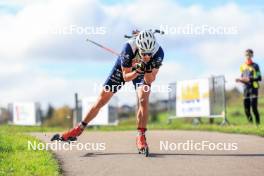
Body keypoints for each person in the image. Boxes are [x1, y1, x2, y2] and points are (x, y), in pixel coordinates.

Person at [53, 30, 164, 153]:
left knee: (143, 98)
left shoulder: (159, 53)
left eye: (149, 53)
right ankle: (78, 129)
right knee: (101, 100)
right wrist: (137, 70)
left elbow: (150, 79)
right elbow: (126, 77)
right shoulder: (128, 48)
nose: (147, 56)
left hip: (142, 71)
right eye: (144, 53)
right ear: (138, 46)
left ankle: (141, 135)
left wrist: (147, 69)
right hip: (126, 70)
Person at [236, 49, 262, 125]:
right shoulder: (242, 66)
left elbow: (259, 78)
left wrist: (250, 79)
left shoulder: (256, 66)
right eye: (246, 54)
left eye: (249, 54)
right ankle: (250, 125)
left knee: (254, 109)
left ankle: (258, 125)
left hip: (254, 89)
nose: (248, 56)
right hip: (246, 90)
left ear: (252, 55)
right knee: (246, 110)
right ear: (245, 56)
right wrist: (239, 80)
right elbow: (244, 79)